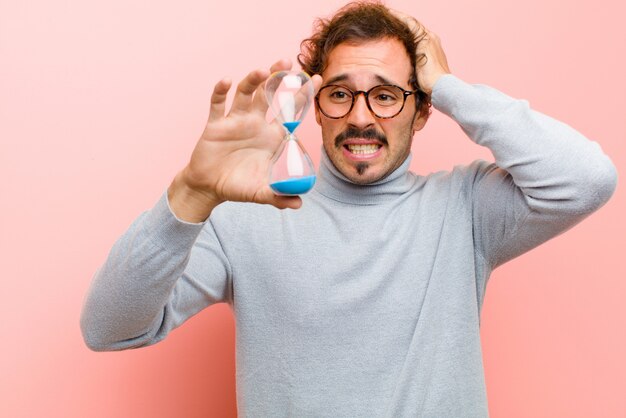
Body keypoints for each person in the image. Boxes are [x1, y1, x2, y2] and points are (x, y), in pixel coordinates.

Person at [80, 2, 617, 416]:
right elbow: (109, 327)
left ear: (422, 110)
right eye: (340, 94)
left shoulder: (466, 209)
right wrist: (192, 194)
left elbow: (587, 179)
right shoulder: (246, 218)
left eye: (386, 95)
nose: (362, 117)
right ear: (314, 105)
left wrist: (449, 86)